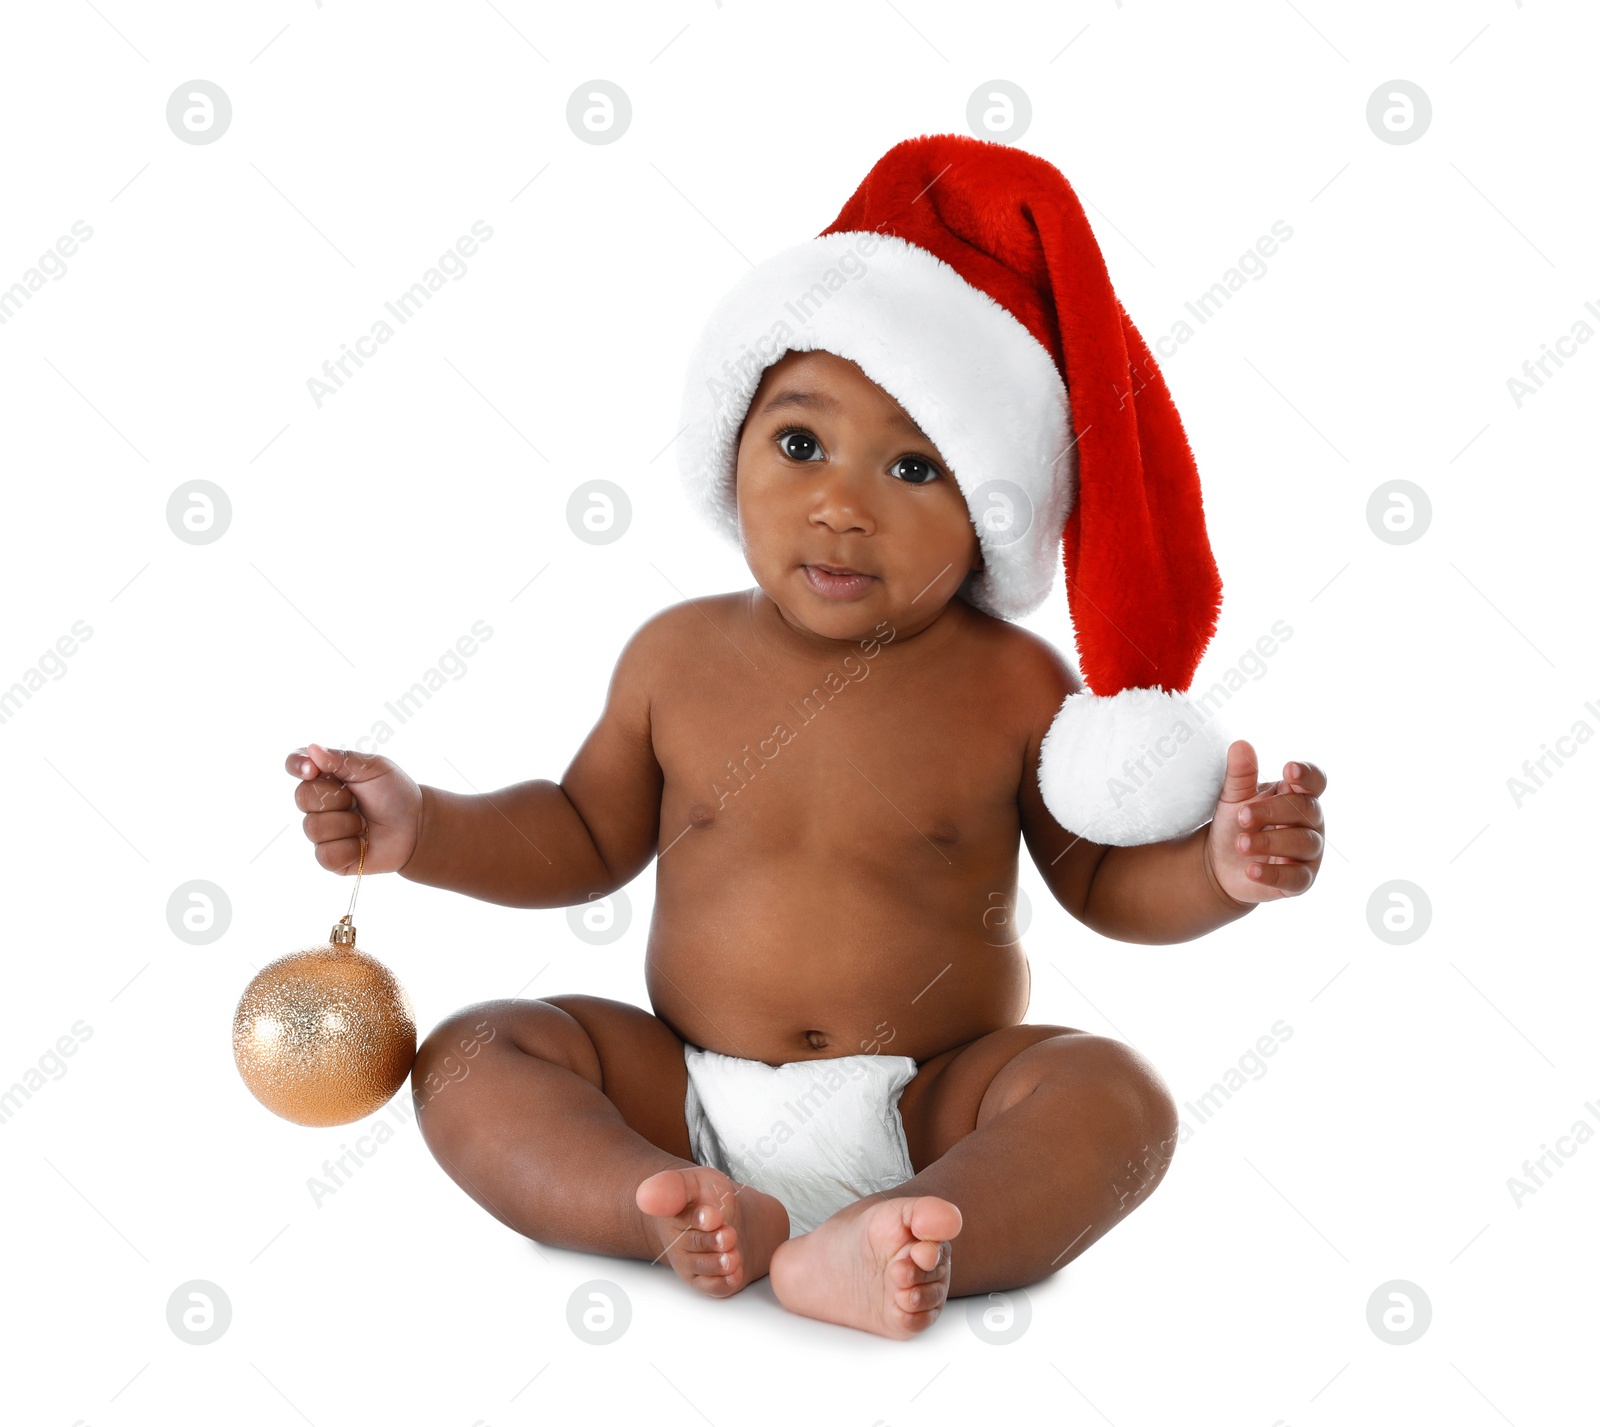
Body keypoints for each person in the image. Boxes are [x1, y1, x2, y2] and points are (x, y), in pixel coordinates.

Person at [284, 134, 1327, 1340]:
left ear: (992, 510)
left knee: (1114, 1097)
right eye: (799, 443)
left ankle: (916, 1229)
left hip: (939, 1099)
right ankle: (663, 1206)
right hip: (679, 1086)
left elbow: (1096, 880)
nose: (842, 503)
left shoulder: (1013, 683)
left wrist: (1218, 869)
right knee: (474, 1053)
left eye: (912, 466)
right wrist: (425, 826)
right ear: (726, 447)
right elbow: (577, 832)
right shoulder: (675, 656)